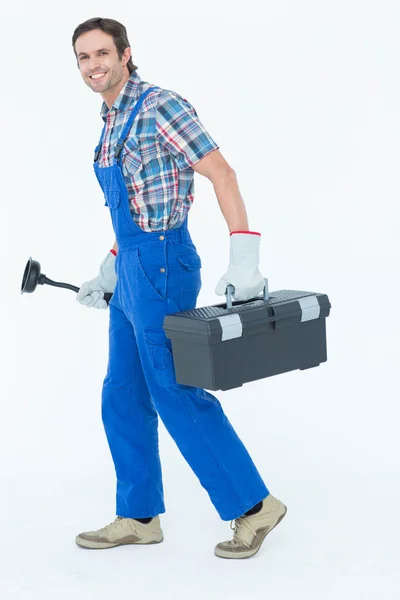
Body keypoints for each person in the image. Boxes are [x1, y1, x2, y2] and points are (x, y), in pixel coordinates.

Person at [72, 17, 287, 559]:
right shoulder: (110, 119)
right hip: (135, 264)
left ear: (125, 54)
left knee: (173, 389)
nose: (94, 65)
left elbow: (222, 173)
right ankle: (139, 515)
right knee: (121, 391)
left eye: (102, 53)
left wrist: (244, 255)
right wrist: (110, 265)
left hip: (164, 264)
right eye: (83, 57)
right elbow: (138, 206)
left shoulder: (159, 106)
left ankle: (254, 506)